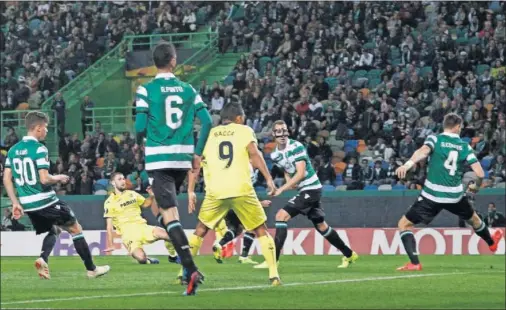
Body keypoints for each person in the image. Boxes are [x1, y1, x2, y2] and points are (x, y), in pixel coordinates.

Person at [134, 42, 212, 296]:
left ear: (154, 63)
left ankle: (191, 270)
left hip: (159, 159)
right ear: (173, 61)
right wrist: (197, 153)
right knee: (167, 215)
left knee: (170, 217)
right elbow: (208, 121)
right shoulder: (188, 89)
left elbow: (139, 126)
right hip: (182, 160)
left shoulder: (146, 90)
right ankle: (189, 269)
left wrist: (140, 144)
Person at [2, 111, 110, 279]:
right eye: (45, 127)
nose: (46, 131)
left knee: (55, 229)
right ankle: (92, 269)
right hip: (45, 200)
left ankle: (43, 258)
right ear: (37, 128)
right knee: (75, 228)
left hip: (27, 204)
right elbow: (44, 179)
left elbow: (6, 179)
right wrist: (59, 177)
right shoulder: (39, 149)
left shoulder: (13, 150)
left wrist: (15, 202)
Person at [185, 102, 281, 286]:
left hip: (216, 191)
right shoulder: (244, 130)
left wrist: (190, 190)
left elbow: (195, 164)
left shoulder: (209, 134)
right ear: (238, 118)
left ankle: (184, 273)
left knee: (200, 230)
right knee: (260, 229)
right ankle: (274, 275)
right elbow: (254, 153)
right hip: (241, 188)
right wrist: (268, 178)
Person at [395, 113, 503, 271]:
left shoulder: (435, 139)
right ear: (458, 127)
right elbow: (479, 173)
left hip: (432, 195)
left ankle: (414, 263)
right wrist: (476, 186)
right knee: (474, 219)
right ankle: (491, 243)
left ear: (444, 125)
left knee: (404, 224)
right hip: (454, 196)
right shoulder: (465, 146)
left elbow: (423, 151)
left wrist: (407, 164)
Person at [255, 120, 358, 269]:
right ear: (273, 134)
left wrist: (281, 189)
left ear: (288, 132)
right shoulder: (275, 154)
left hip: (311, 188)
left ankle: (272, 261)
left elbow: (301, 172)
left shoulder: (296, 147)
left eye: (284, 130)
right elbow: (287, 169)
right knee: (322, 226)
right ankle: (349, 254)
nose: (282, 134)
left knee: (280, 216)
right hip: (304, 189)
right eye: (278, 131)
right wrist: (290, 181)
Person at [103, 172, 178, 264]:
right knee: (141, 258)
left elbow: (146, 204)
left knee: (171, 235)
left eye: (123, 178)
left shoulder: (132, 194)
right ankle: (148, 260)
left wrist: (151, 196)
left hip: (142, 227)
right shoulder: (109, 202)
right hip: (129, 235)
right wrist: (111, 244)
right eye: (119, 179)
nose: (123, 181)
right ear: (113, 183)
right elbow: (109, 226)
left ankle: (172, 256)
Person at [212, 165, 271, 265]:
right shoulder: (246, 168)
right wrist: (261, 203)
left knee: (236, 229)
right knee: (252, 227)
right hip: (238, 201)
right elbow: (244, 192)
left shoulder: (236, 166)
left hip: (226, 201)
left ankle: (219, 244)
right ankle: (244, 256)